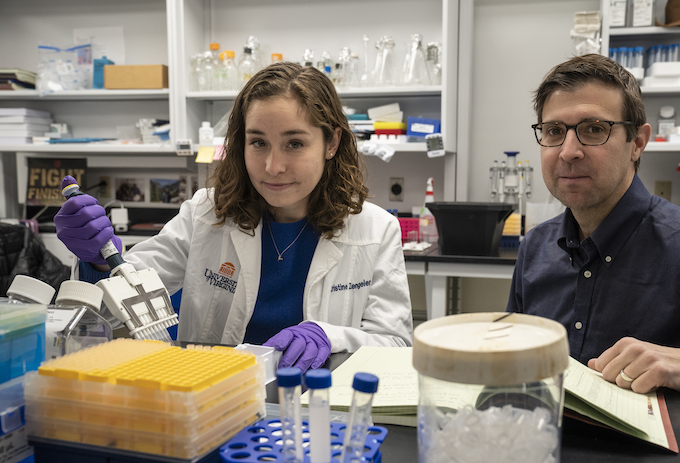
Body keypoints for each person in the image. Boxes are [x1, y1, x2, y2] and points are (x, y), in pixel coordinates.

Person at [54, 62, 413, 372]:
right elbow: (112, 314)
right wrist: (98, 262)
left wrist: (331, 336)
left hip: (321, 414)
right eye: (258, 142)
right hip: (214, 405)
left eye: (295, 143)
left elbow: (397, 347)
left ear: (331, 143)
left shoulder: (376, 230)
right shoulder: (205, 214)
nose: (273, 166)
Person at [507, 53, 680, 394]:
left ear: (637, 143)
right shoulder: (535, 248)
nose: (568, 151)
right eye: (554, 131)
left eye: (593, 129)